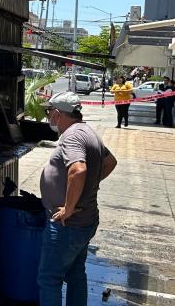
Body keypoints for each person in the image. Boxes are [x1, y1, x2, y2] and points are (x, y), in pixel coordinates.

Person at [38, 92, 117, 306]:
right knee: (75, 275)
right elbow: (110, 162)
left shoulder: (72, 136)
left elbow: (78, 170)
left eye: (48, 112)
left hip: (68, 224)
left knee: (49, 279)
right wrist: (89, 186)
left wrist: (68, 208)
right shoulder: (87, 131)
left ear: (57, 113)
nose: (48, 117)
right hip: (84, 222)